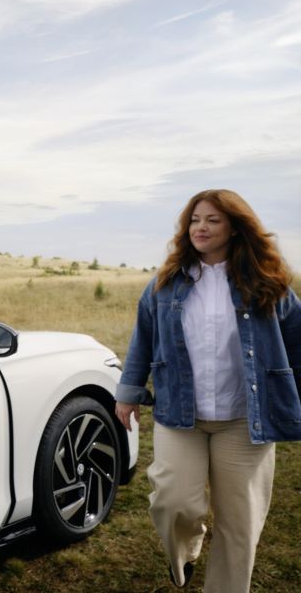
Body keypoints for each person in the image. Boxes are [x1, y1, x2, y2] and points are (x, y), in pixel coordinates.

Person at [114, 189, 301, 592]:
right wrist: (128, 391)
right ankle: (186, 552)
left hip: (244, 420)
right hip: (182, 416)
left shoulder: (269, 283)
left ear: (235, 229)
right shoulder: (165, 284)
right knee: (173, 502)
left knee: (240, 521)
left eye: (213, 220)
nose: (201, 227)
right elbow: (143, 338)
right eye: (196, 219)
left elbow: (298, 342)